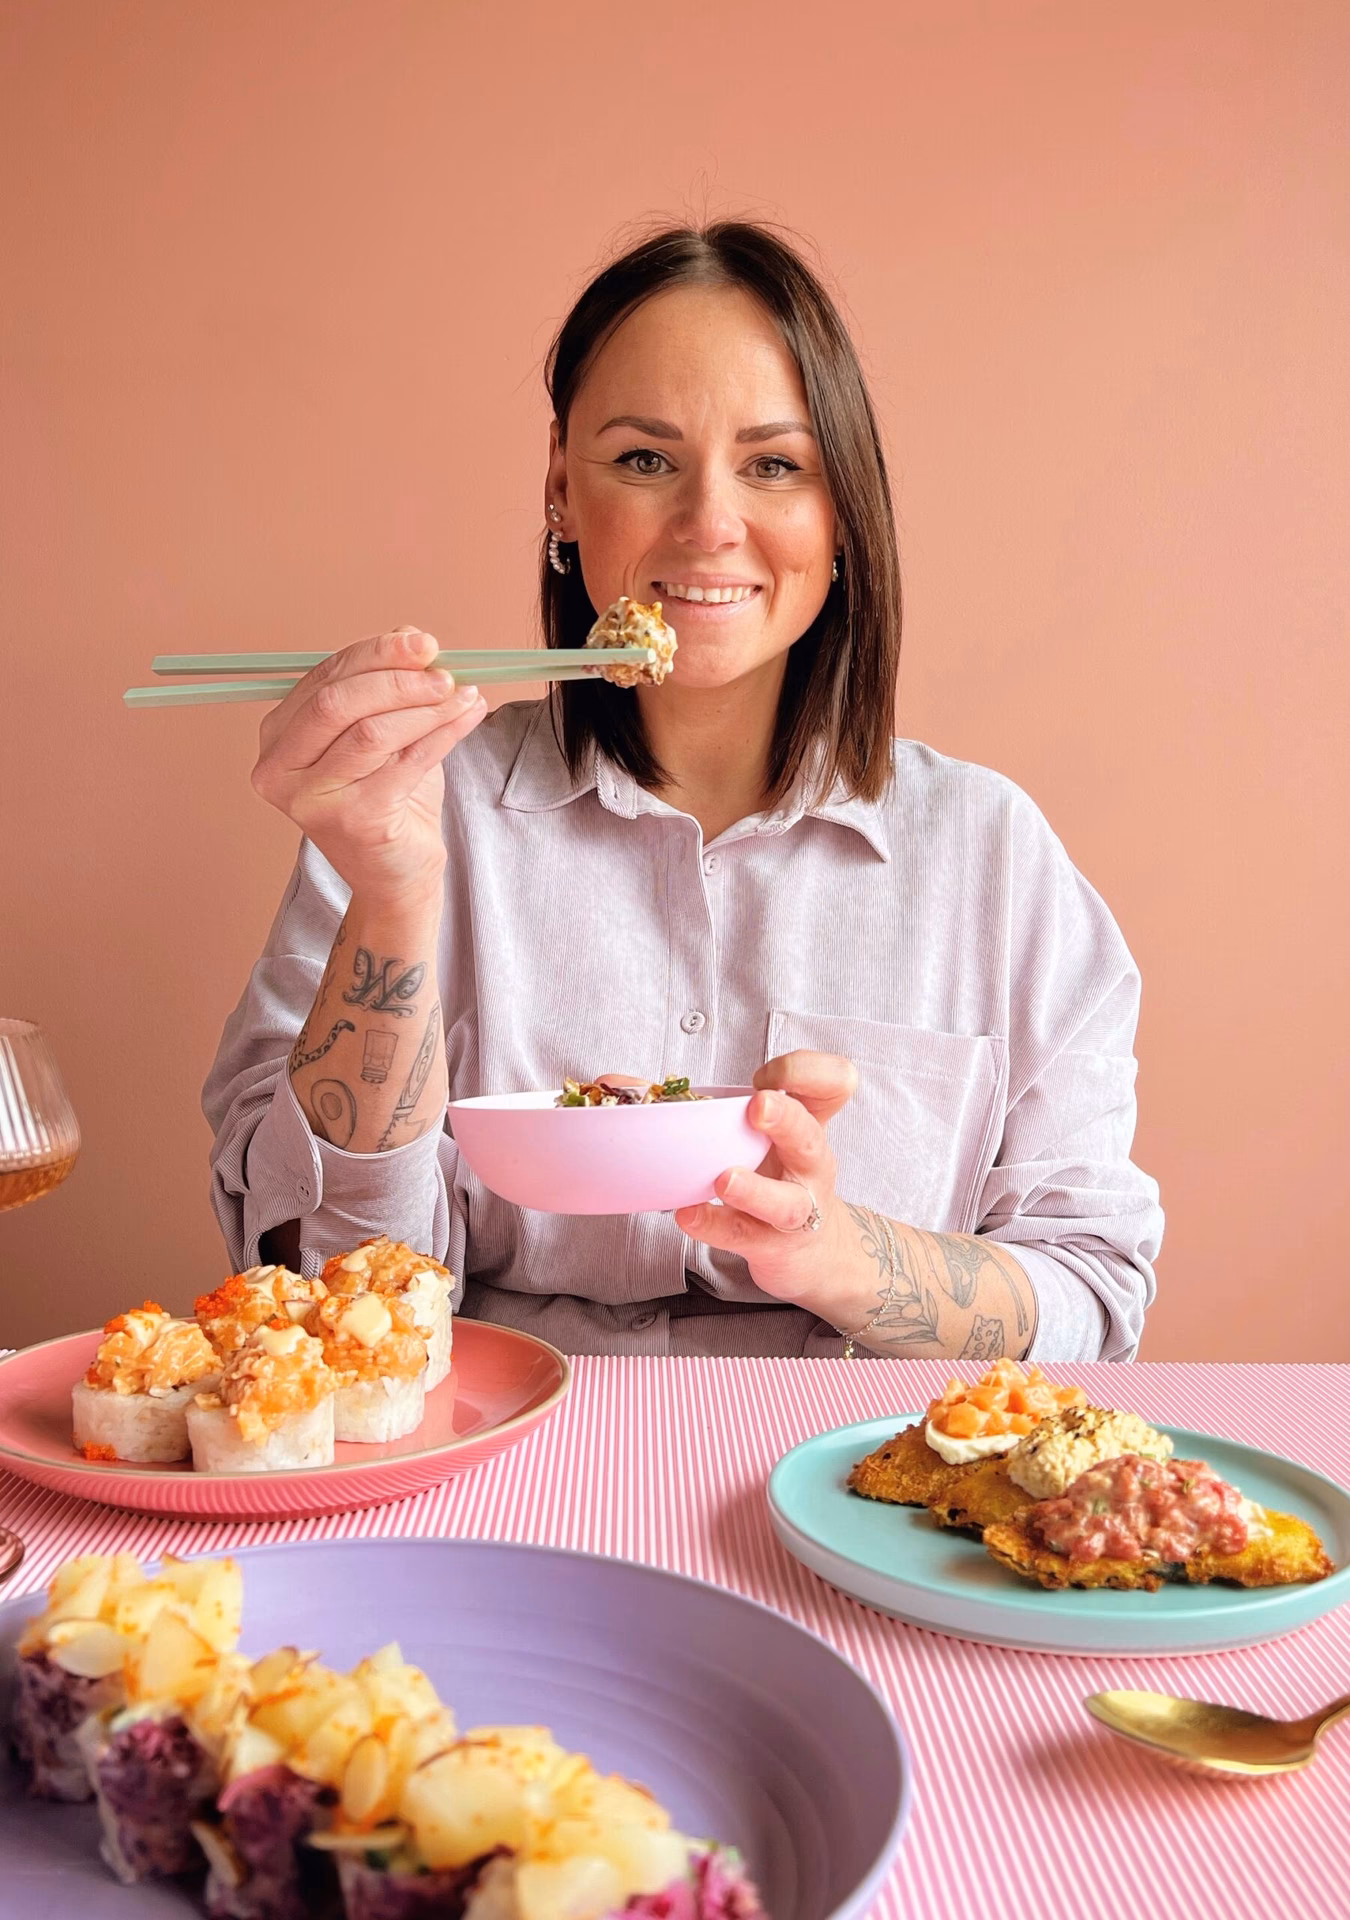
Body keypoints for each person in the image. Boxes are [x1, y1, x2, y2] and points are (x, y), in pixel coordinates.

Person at [203, 221, 1162, 1362]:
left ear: (843, 513)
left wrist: (841, 1255)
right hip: (512, 1436)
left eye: (775, 465)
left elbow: (1093, 1292)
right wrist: (395, 897)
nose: (710, 523)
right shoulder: (412, 806)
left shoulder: (990, 854)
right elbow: (314, 1287)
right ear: (561, 490)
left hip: (863, 1456)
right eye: (645, 459)